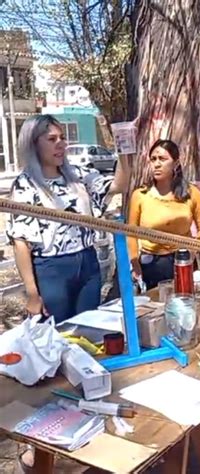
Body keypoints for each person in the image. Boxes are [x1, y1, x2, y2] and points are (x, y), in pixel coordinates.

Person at [6, 114, 129, 473]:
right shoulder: (26, 185)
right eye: (51, 139)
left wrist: (125, 149)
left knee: (84, 344)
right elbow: (20, 243)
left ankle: (84, 421)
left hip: (87, 265)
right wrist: (31, 291)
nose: (60, 144)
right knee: (53, 350)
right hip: (52, 269)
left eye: (62, 138)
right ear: (34, 144)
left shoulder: (78, 177)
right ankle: (39, 438)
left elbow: (118, 185)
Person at [127, 139, 200, 289]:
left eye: (163, 159)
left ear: (176, 163)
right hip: (151, 263)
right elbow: (131, 233)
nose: (157, 164)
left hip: (183, 259)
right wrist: (134, 264)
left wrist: (192, 249)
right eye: (153, 159)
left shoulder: (192, 193)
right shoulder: (140, 195)